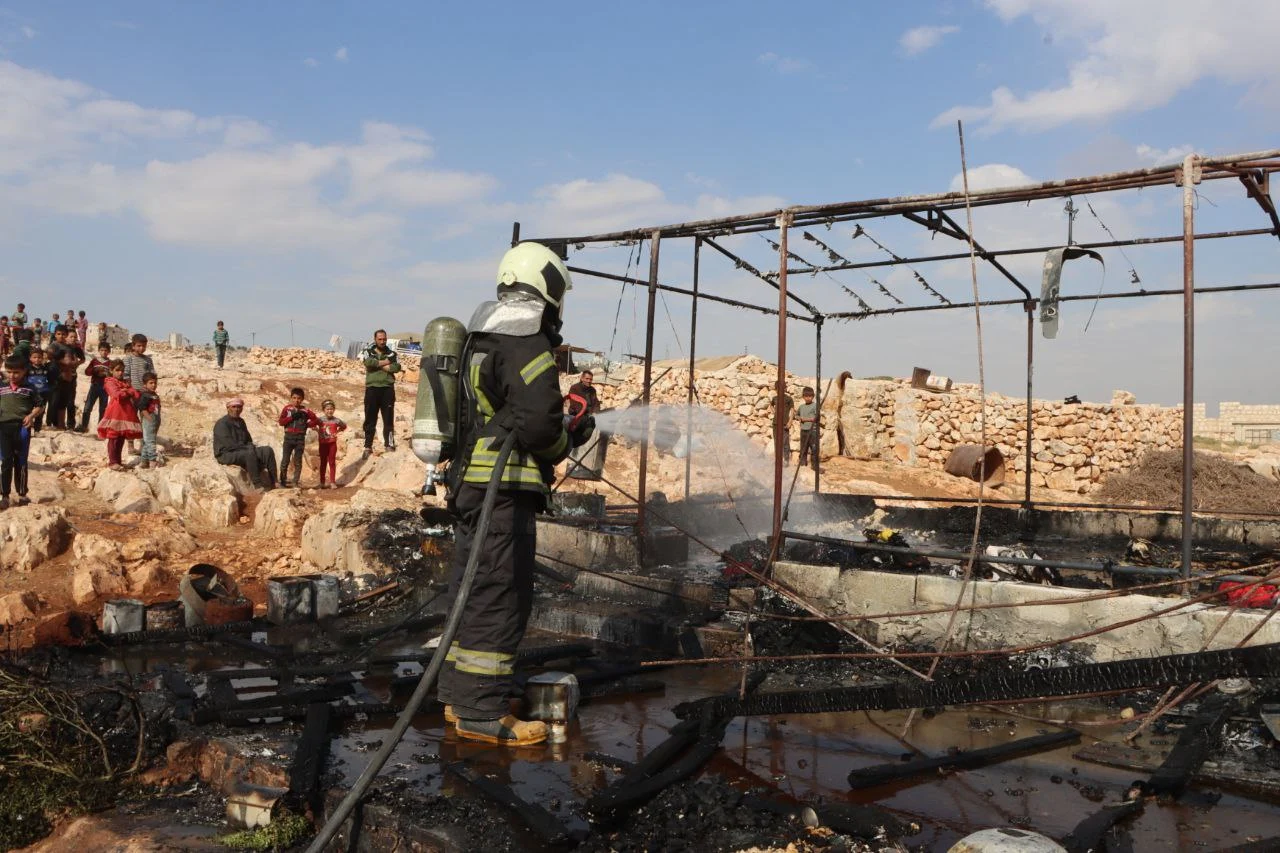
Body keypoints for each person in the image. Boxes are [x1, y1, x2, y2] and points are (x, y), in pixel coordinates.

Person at [439, 242, 592, 746]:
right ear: (547, 286)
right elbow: (539, 423)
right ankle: (481, 713)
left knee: (472, 588)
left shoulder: (482, 333)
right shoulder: (526, 338)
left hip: (471, 485)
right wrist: (569, 435)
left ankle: (459, 695)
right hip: (502, 492)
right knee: (500, 595)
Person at [0, 355, 44, 509]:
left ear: (24, 371)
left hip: (22, 428)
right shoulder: (1, 386)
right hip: (3, 428)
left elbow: (40, 405)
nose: (12, 375)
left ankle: (22, 494)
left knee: (21, 462)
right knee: (6, 461)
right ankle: (4, 495)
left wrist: (31, 416)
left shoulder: (30, 388)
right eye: (9, 372)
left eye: (16, 372)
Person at [213, 398, 277, 490]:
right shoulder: (222, 423)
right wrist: (248, 448)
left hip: (242, 450)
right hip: (226, 454)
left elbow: (248, 440)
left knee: (267, 450)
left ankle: (274, 481)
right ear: (228, 408)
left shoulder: (241, 422)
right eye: (233, 407)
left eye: (239, 407)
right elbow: (229, 445)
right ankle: (257, 485)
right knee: (249, 453)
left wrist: (249, 446)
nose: (236, 409)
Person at [361, 329, 401, 459]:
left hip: (387, 389)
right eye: (380, 339)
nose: (382, 341)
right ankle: (367, 446)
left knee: (388, 419)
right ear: (375, 339)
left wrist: (376, 364)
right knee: (370, 419)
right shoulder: (367, 351)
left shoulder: (392, 353)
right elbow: (368, 363)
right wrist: (386, 362)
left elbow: (396, 367)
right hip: (372, 389)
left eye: (384, 339)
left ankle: (389, 444)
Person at [97, 360, 141, 471]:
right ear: (111, 371)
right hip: (115, 412)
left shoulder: (125, 382)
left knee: (121, 437)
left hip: (126, 413)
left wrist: (127, 390)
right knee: (113, 437)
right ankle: (112, 462)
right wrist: (128, 391)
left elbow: (136, 393)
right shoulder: (109, 381)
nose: (120, 373)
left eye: (122, 370)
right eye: (117, 370)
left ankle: (118, 461)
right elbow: (117, 394)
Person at [277, 386, 317, 488]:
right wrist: (291, 417)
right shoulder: (287, 409)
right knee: (285, 460)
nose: (296, 400)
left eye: (299, 398)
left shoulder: (305, 411)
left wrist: (307, 424)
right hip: (288, 437)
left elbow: (315, 420)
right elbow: (281, 422)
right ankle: (283, 481)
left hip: (300, 438)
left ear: (302, 399)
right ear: (291, 398)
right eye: (294, 398)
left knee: (297, 461)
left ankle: (295, 482)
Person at [122, 334, 154, 454]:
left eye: (144, 346)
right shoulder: (128, 359)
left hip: (145, 395)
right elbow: (125, 375)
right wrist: (130, 389)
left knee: (145, 419)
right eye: (139, 346)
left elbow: (152, 375)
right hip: (132, 394)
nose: (141, 348)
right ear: (133, 346)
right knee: (131, 419)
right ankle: (130, 445)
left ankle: (144, 445)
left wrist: (150, 388)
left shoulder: (148, 360)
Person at [77, 343, 112, 433]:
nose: (104, 352)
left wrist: (107, 373)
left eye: (106, 351)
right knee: (88, 407)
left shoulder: (110, 363)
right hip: (94, 386)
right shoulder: (95, 361)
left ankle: (101, 428)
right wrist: (95, 370)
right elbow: (87, 372)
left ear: (109, 352)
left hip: (105, 388)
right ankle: (84, 426)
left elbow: (112, 375)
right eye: (102, 350)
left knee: (103, 409)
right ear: (99, 351)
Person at [315, 399, 347, 489]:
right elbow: (312, 424)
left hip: (332, 444)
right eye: (327, 409)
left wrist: (337, 431)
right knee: (323, 462)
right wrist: (317, 430)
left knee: (332, 462)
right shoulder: (320, 420)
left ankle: (332, 482)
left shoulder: (336, 420)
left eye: (331, 409)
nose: (329, 411)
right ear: (324, 410)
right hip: (323, 444)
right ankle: (322, 482)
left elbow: (344, 426)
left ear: (334, 410)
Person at [137, 372, 162, 469]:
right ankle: (152, 461)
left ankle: (144, 461)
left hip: (155, 419)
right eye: (151, 383)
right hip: (149, 421)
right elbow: (142, 408)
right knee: (150, 441)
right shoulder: (145, 395)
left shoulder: (154, 395)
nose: (154, 385)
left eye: (155, 383)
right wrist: (149, 419)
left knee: (146, 441)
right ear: (145, 384)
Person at [25, 349, 51, 431]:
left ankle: (37, 430)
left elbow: (50, 379)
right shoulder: (27, 368)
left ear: (42, 358)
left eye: (39, 357)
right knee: (29, 411)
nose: (37, 359)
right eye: (34, 357)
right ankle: (27, 428)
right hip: (31, 393)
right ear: (30, 358)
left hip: (43, 393)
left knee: (40, 412)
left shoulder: (46, 368)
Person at [796, 386, 820, 472]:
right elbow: (796, 415)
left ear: (813, 396)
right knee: (803, 448)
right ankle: (802, 464)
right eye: (806, 396)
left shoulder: (815, 406)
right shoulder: (802, 407)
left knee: (814, 448)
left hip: (812, 430)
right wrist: (799, 418)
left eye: (810, 396)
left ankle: (814, 466)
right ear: (803, 397)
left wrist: (806, 419)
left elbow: (816, 418)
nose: (808, 398)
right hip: (803, 430)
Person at [773, 391, 795, 465]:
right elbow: (771, 405)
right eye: (777, 388)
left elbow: (792, 410)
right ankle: (778, 460)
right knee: (776, 442)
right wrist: (774, 412)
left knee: (785, 442)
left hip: (784, 423)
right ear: (776, 389)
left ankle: (786, 460)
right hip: (775, 423)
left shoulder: (788, 398)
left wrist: (790, 421)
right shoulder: (775, 398)